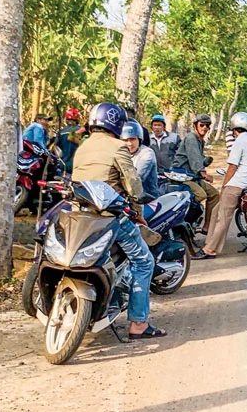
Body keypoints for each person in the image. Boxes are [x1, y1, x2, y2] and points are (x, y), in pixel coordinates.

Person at [71, 102, 166, 340]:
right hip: (110, 218)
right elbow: (133, 185)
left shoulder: (82, 146)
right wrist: (137, 212)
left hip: (82, 216)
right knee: (144, 262)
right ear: (116, 123)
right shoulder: (118, 146)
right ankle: (139, 324)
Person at [201, 112, 247, 259]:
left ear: (234, 128)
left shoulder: (239, 141)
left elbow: (232, 167)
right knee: (216, 211)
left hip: (236, 184)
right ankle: (209, 242)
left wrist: (224, 187)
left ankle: (211, 249)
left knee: (223, 217)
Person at [172, 114, 220, 233]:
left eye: (207, 125)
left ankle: (207, 225)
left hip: (192, 176)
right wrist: (204, 174)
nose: (205, 127)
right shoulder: (192, 137)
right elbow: (194, 160)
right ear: (195, 126)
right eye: (202, 125)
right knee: (201, 195)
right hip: (182, 175)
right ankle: (184, 221)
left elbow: (198, 159)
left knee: (214, 194)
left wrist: (206, 161)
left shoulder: (200, 141)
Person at [122, 119, 160, 200]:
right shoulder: (120, 153)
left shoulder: (147, 153)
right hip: (125, 198)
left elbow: (136, 180)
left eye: (133, 139)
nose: (129, 143)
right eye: (125, 140)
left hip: (147, 199)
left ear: (139, 139)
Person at [54, 107, 81, 174]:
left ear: (66, 119)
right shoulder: (81, 131)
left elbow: (55, 147)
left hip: (64, 164)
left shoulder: (61, 132)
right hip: (78, 164)